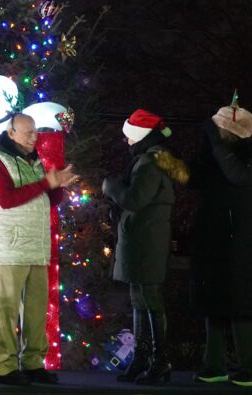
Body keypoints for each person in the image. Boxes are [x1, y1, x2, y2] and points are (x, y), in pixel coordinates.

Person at [0, 113, 77, 386]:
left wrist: (57, 187)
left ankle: (33, 363)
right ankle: (3, 367)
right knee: (7, 309)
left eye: (34, 132)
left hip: (36, 246)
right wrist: (47, 183)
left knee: (36, 310)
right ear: (10, 133)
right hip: (9, 248)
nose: (33, 136)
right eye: (27, 132)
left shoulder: (33, 161)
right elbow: (7, 200)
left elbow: (45, 199)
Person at [102, 109, 189, 385]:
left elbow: (136, 198)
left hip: (146, 241)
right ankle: (142, 359)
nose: (126, 142)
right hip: (141, 239)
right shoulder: (151, 160)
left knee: (150, 300)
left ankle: (159, 361)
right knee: (139, 300)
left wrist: (111, 187)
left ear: (139, 136)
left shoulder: (149, 163)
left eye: (129, 137)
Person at [189, 106, 252, 388]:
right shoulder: (218, 156)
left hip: (244, 243)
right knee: (215, 302)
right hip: (217, 240)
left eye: (219, 129)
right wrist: (167, 159)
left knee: (243, 304)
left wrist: (214, 141)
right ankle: (214, 366)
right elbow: (194, 178)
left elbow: (238, 175)